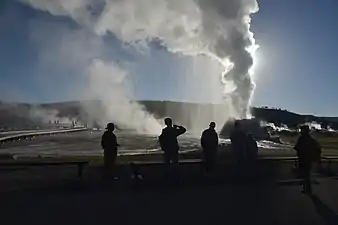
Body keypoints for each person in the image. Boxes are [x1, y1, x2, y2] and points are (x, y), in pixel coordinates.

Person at [294, 125, 321, 194]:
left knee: (305, 174)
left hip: (303, 159)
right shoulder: (311, 139)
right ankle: (307, 188)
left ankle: (307, 188)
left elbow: (297, 147)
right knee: (307, 174)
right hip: (308, 159)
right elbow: (317, 148)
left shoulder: (302, 139)